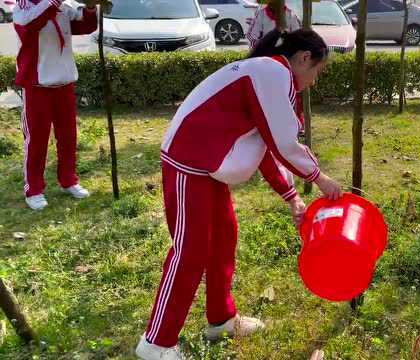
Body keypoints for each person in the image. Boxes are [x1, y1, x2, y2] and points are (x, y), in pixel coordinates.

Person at [135, 29, 343, 360]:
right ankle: (156, 343)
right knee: (190, 252)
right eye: (318, 71)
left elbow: (262, 146)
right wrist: (321, 178)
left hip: (207, 165)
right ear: (304, 58)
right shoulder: (273, 73)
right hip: (189, 162)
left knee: (224, 238)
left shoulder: (269, 76)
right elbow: (283, 143)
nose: (315, 81)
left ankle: (220, 319)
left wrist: (292, 196)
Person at [13, 0, 103, 210]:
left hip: (64, 80)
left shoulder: (64, 5)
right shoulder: (22, 7)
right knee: (36, 139)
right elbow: (31, 25)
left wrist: (90, 9)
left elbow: (85, 26)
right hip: (37, 83)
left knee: (68, 136)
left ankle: (68, 180)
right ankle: (34, 190)